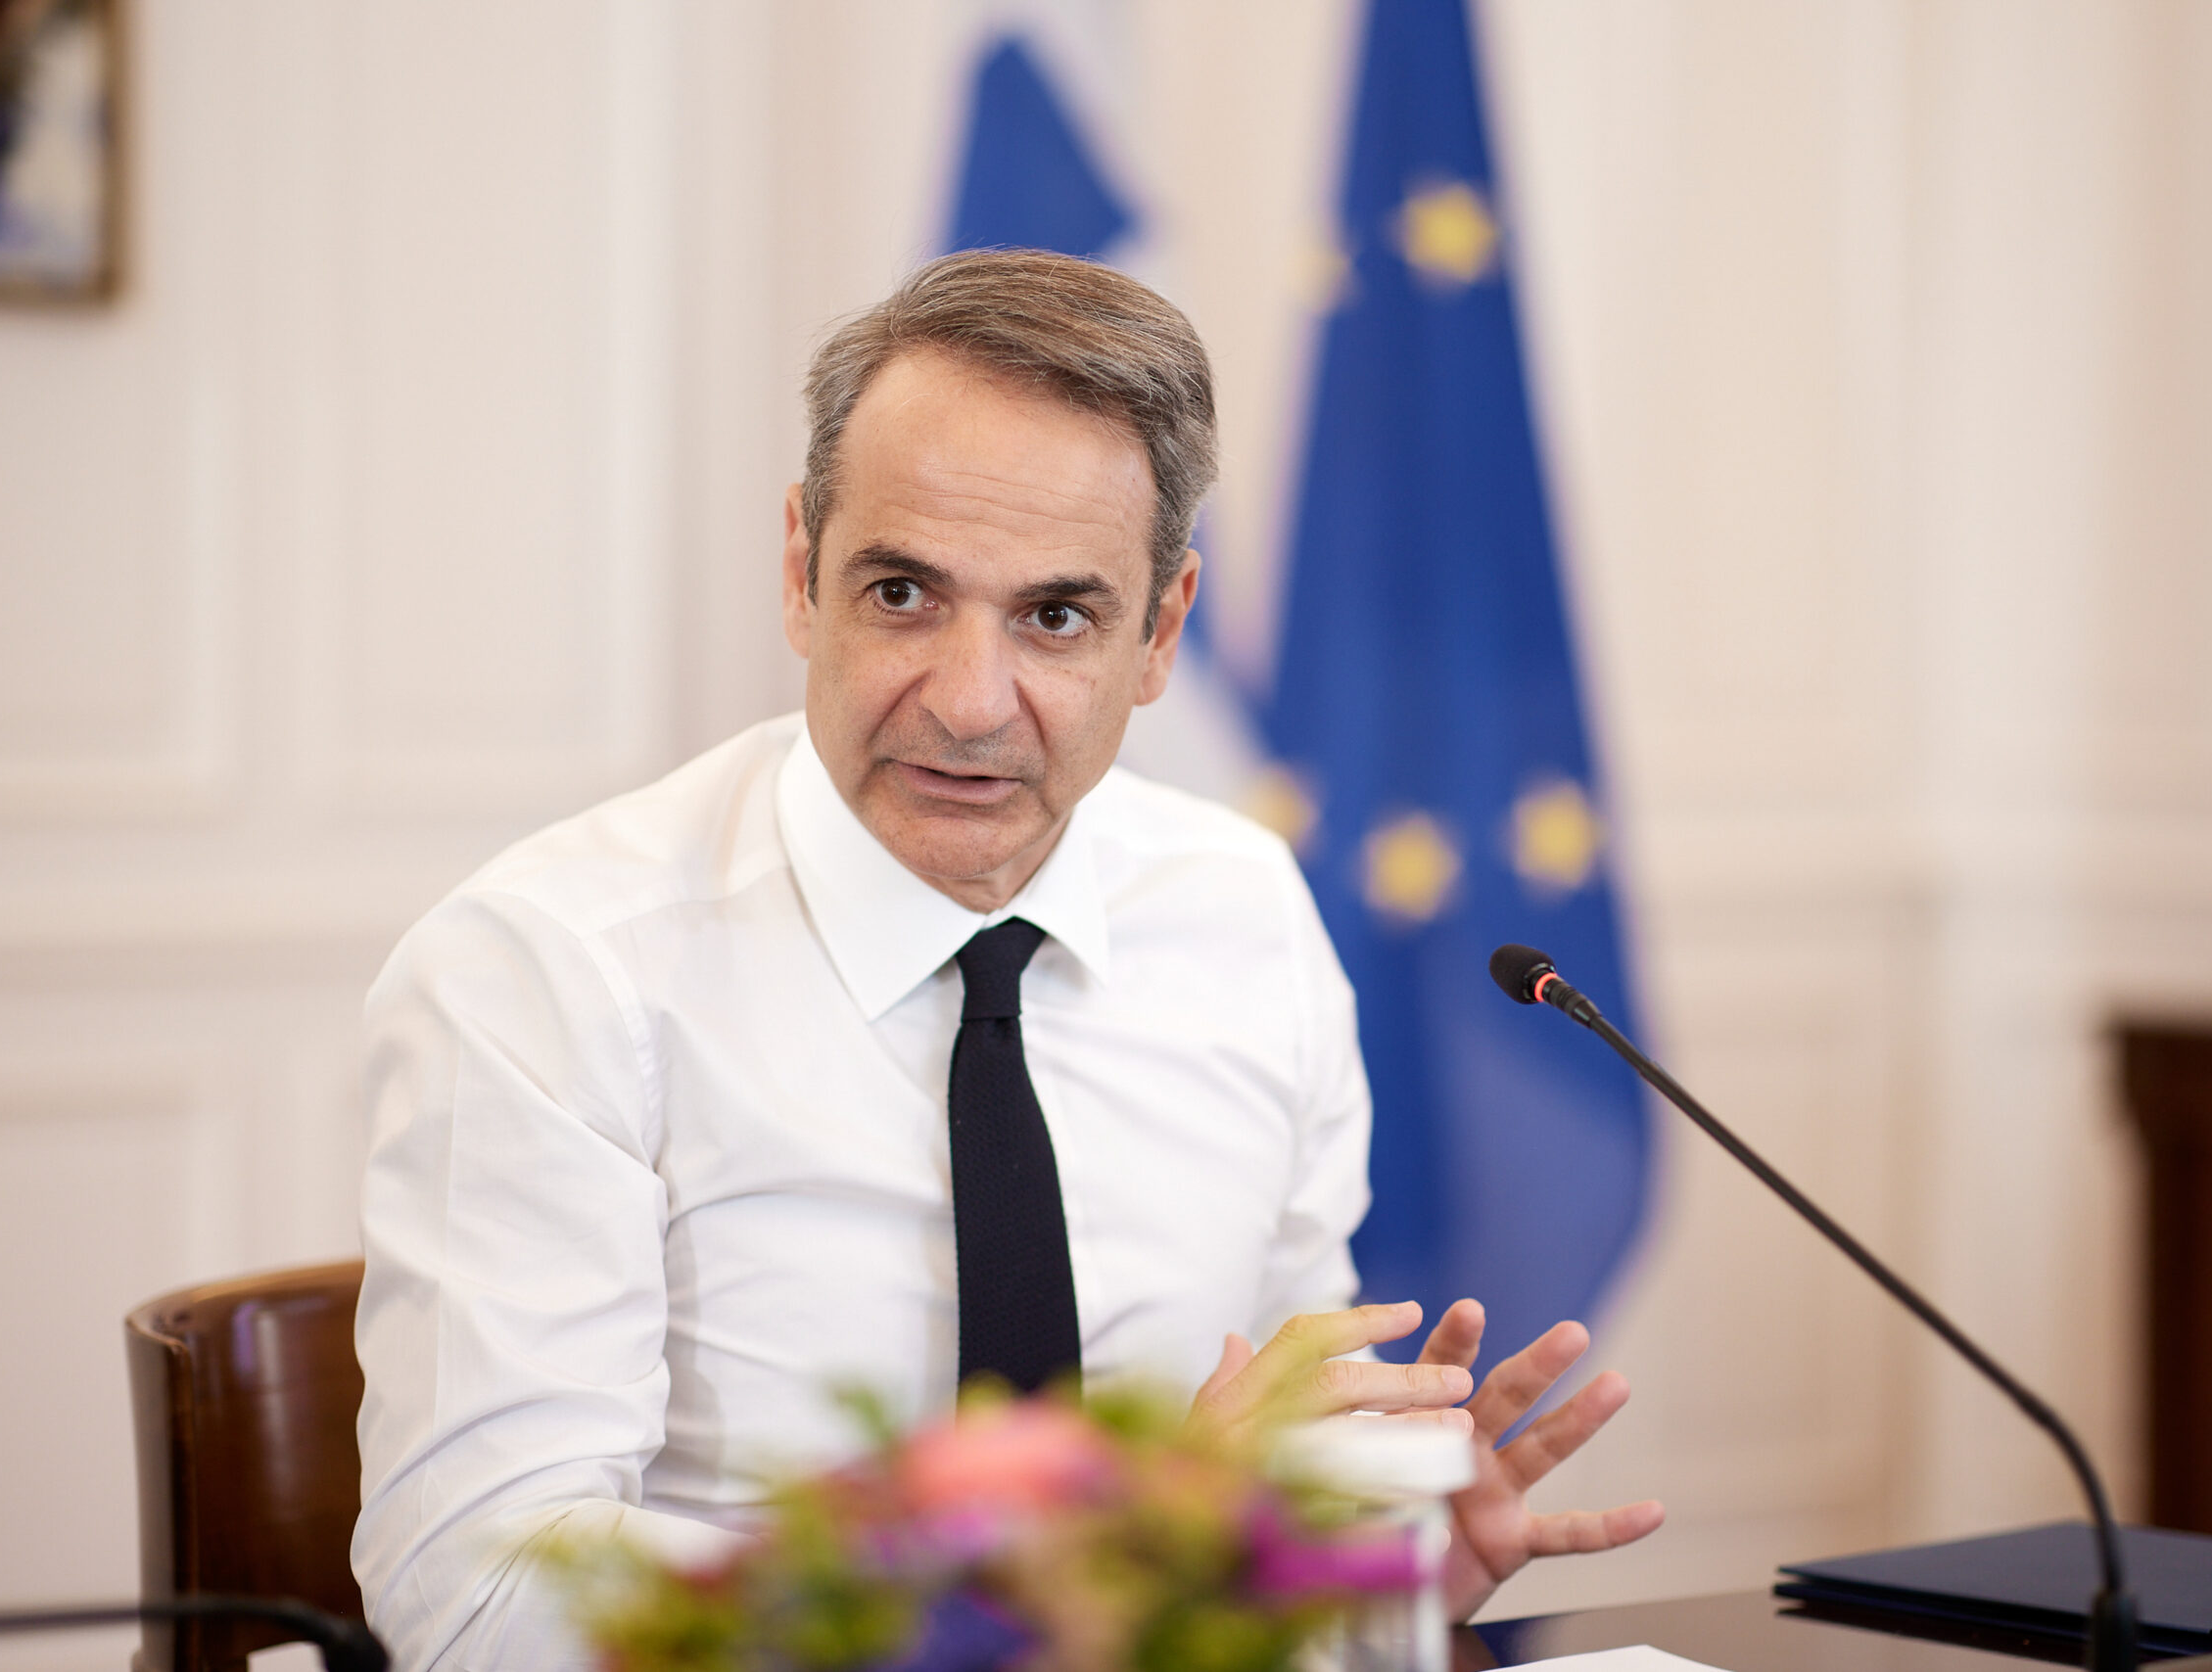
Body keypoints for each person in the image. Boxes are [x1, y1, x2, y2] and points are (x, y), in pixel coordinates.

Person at [352, 249, 1662, 1672]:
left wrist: (1363, 1575)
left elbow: (1288, 1460)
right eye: (902, 593)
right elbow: (473, 1598)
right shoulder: (546, 972)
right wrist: (1087, 1560)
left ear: (1160, 634)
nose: (972, 704)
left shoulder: (1246, 917)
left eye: (1056, 618)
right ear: (800, 574)